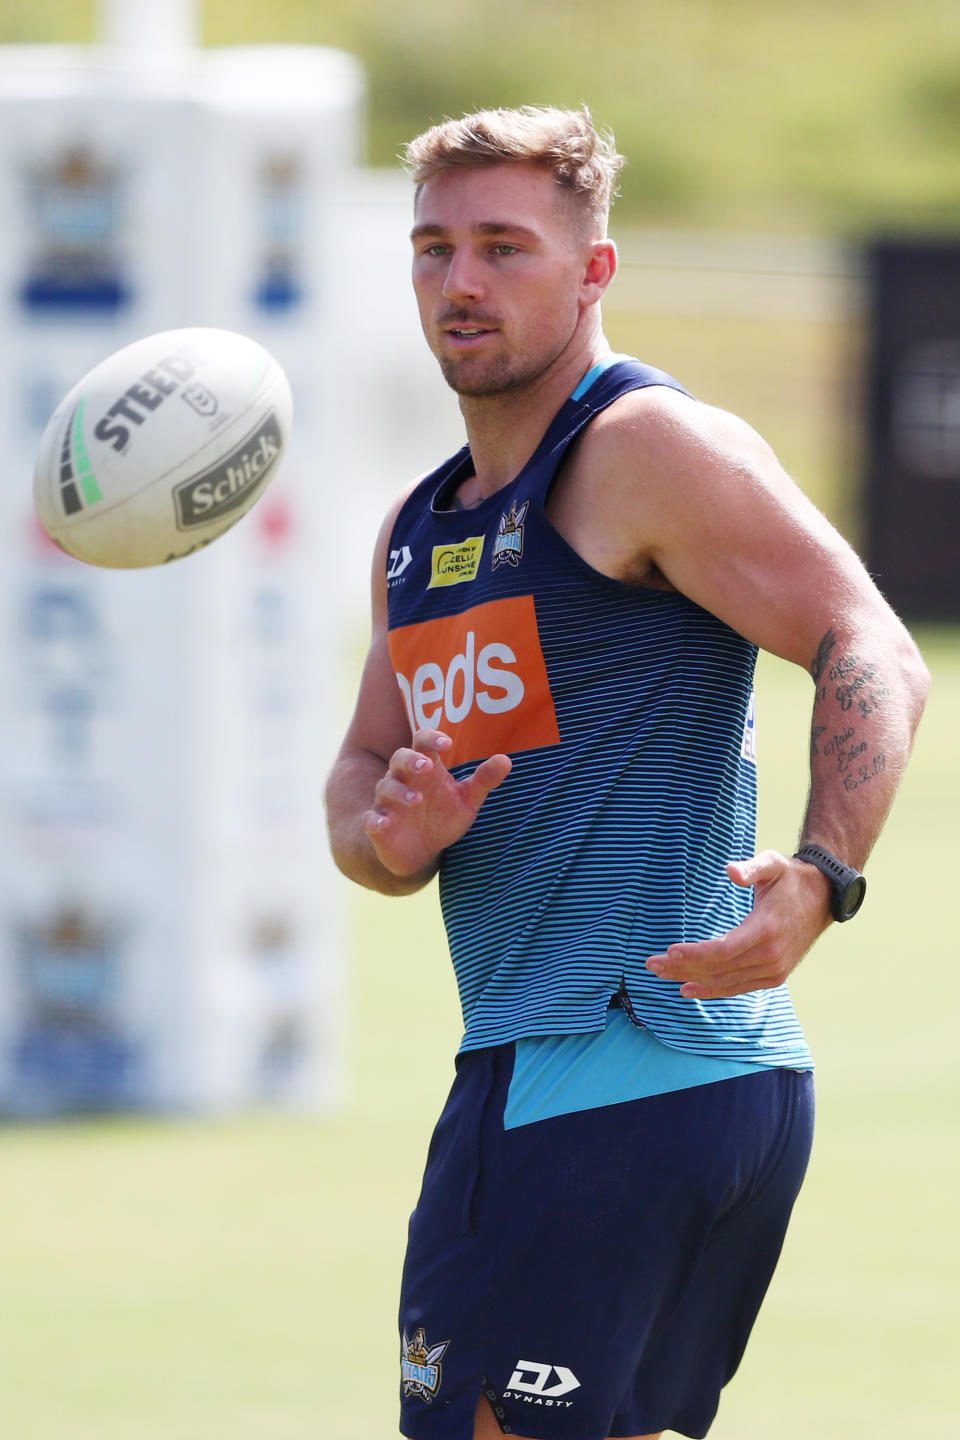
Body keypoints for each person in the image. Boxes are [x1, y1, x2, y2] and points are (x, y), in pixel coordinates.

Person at [325, 105, 929, 1440]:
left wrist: (825, 874)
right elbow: (361, 785)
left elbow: (870, 643)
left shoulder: (642, 450)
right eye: (434, 249)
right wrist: (395, 836)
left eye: (504, 247)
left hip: (606, 1072)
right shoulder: (420, 532)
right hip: (644, 1088)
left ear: (593, 270)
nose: (462, 281)